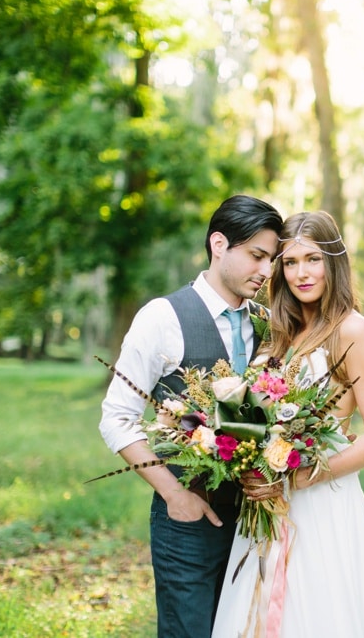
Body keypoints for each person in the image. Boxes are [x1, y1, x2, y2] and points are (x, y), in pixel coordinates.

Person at [211, 210, 364, 638]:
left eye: (313, 259)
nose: (302, 273)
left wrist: (305, 476)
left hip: (322, 503)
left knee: (317, 612)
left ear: (333, 263)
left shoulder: (352, 330)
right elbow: (253, 417)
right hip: (267, 502)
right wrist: (249, 458)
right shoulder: (280, 333)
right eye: (291, 262)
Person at [98, 194, 284, 638]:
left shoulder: (268, 324)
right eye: (257, 255)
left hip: (254, 522)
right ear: (219, 244)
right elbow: (116, 418)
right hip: (186, 524)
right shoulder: (162, 318)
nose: (266, 271)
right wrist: (174, 495)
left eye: (272, 259)